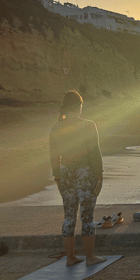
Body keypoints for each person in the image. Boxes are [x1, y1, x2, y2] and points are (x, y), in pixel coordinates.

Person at [49, 90, 106, 266]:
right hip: (85, 173)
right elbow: (94, 152)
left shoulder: (56, 128)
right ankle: (90, 257)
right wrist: (100, 175)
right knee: (87, 216)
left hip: (65, 174)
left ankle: (70, 258)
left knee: (69, 216)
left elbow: (54, 157)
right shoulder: (88, 126)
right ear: (79, 106)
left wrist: (57, 178)